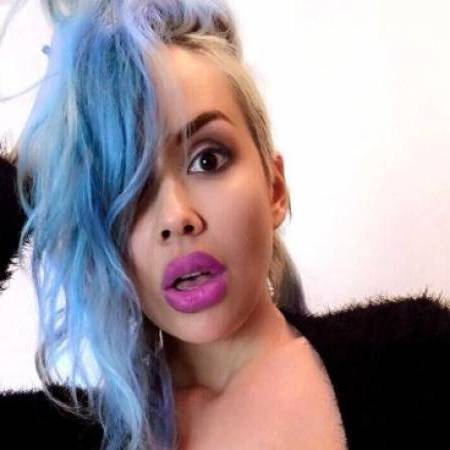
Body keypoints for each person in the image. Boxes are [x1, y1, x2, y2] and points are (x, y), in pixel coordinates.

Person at [1, 1, 450, 449]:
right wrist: (35, 164)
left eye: (207, 160)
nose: (177, 217)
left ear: (274, 188)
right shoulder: (70, 432)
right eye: (126, 186)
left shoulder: (413, 360)